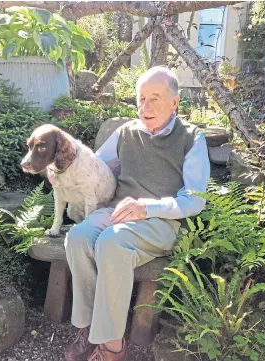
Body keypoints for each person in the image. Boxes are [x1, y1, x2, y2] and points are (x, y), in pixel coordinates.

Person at [63, 66, 211, 361]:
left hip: (161, 221)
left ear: (175, 102)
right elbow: (97, 169)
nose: (146, 106)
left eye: (155, 98)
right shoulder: (125, 132)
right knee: (78, 237)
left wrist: (147, 207)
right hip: (117, 212)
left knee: (112, 243)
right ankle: (90, 329)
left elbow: (195, 200)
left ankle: (113, 346)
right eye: (141, 98)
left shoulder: (192, 138)